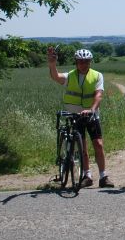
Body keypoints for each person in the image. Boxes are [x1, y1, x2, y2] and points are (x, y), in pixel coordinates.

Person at [47, 47, 114, 188]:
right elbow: (56, 77)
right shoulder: (70, 75)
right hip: (75, 115)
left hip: (91, 114)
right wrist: (52, 64)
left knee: (99, 145)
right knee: (82, 147)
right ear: (76, 62)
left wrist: (92, 110)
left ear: (90, 62)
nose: (84, 64)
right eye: (81, 61)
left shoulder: (97, 75)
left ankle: (103, 177)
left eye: (87, 61)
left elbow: (99, 95)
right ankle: (87, 175)